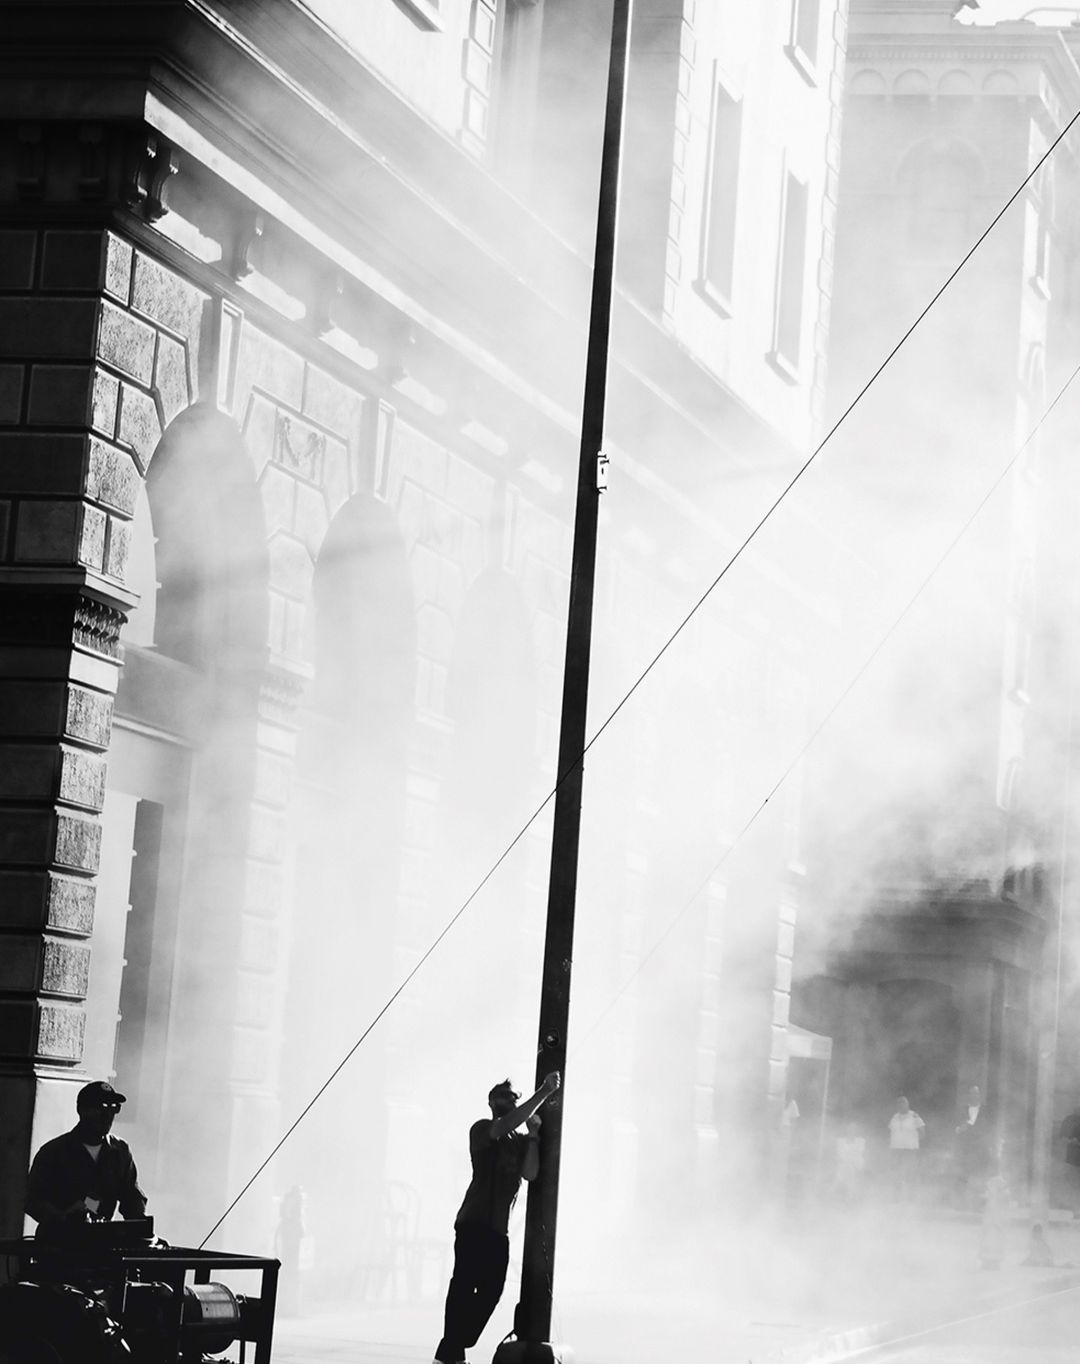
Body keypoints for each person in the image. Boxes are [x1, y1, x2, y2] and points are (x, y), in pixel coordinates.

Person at [435, 1071, 560, 1364]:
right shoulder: (481, 1129)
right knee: (464, 1285)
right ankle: (453, 1351)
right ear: (491, 1103)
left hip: (497, 1230)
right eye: (502, 1097)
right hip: (473, 1222)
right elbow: (503, 1126)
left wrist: (534, 1137)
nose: (508, 1101)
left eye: (512, 1097)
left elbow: (530, 1173)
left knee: (492, 1290)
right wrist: (543, 1093)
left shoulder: (518, 1141)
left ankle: (453, 1348)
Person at [26, 1080, 147, 1240]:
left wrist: (139, 1228)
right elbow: (33, 1200)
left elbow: (131, 1196)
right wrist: (63, 1217)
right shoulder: (55, 1152)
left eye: (114, 1108)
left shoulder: (119, 1151)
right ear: (81, 1110)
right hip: (59, 1245)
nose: (107, 1115)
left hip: (102, 1245)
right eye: (101, 1108)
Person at [953, 1083, 990, 1209]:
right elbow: (954, 1128)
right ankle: (962, 1204)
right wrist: (960, 1129)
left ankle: (979, 1205)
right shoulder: (960, 1110)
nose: (974, 1096)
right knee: (963, 1176)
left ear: (980, 1096)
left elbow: (990, 1128)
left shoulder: (986, 1111)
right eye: (971, 1093)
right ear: (968, 1095)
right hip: (965, 1149)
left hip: (980, 1149)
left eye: (976, 1093)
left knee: (979, 1177)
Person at [887, 1096, 925, 1202]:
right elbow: (891, 1132)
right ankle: (896, 1198)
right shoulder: (894, 1117)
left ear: (907, 1104)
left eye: (903, 1103)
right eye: (899, 1103)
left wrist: (913, 1144)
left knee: (910, 1174)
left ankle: (911, 1198)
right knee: (896, 1174)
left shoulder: (914, 1116)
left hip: (910, 1150)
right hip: (896, 1150)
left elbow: (922, 1132)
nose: (901, 1105)